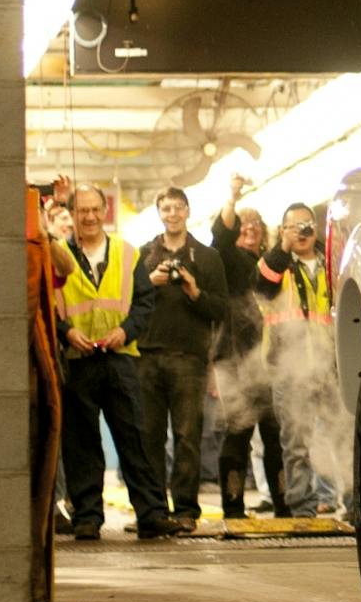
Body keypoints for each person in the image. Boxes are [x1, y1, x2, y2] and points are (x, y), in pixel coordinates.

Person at [44, 179, 184, 540]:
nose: (89, 217)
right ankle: (88, 517)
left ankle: (151, 514)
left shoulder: (128, 253)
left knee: (134, 439)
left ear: (104, 212)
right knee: (81, 444)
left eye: (94, 210)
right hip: (77, 359)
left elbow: (143, 303)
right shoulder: (57, 254)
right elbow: (46, 304)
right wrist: (65, 332)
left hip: (120, 359)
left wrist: (126, 331)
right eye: (81, 211)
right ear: (71, 215)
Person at [133, 186, 228, 534]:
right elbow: (128, 304)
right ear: (159, 213)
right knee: (150, 438)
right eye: (166, 208)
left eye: (178, 207)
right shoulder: (142, 257)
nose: (172, 214)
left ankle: (186, 509)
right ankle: (154, 510)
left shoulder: (206, 258)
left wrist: (195, 292)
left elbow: (221, 309)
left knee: (188, 436)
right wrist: (149, 282)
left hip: (190, 358)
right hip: (147, 356)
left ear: (188, 211)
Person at [254, 201, 343, 516]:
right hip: (290, 369)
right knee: (296, 444)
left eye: (308, 226)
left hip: (331, 367)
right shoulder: (277, 265)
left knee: (342, 439)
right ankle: (302, 507)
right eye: (295, 227)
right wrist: (284, 246)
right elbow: (262, 287)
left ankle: (349, 504)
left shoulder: (332, 263)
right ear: (282, 231)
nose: (303, 232)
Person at [212, 174, 287, 520]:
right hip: (237, 362)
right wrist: (232, 196)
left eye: (256, 223)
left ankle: (285, 504)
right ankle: (233, 506)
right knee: (239, 431)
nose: (250, 228)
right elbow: (221, 238)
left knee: (274, 435)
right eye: (244, 223)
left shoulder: (271, 267)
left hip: (271, 364)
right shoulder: (228, 262)